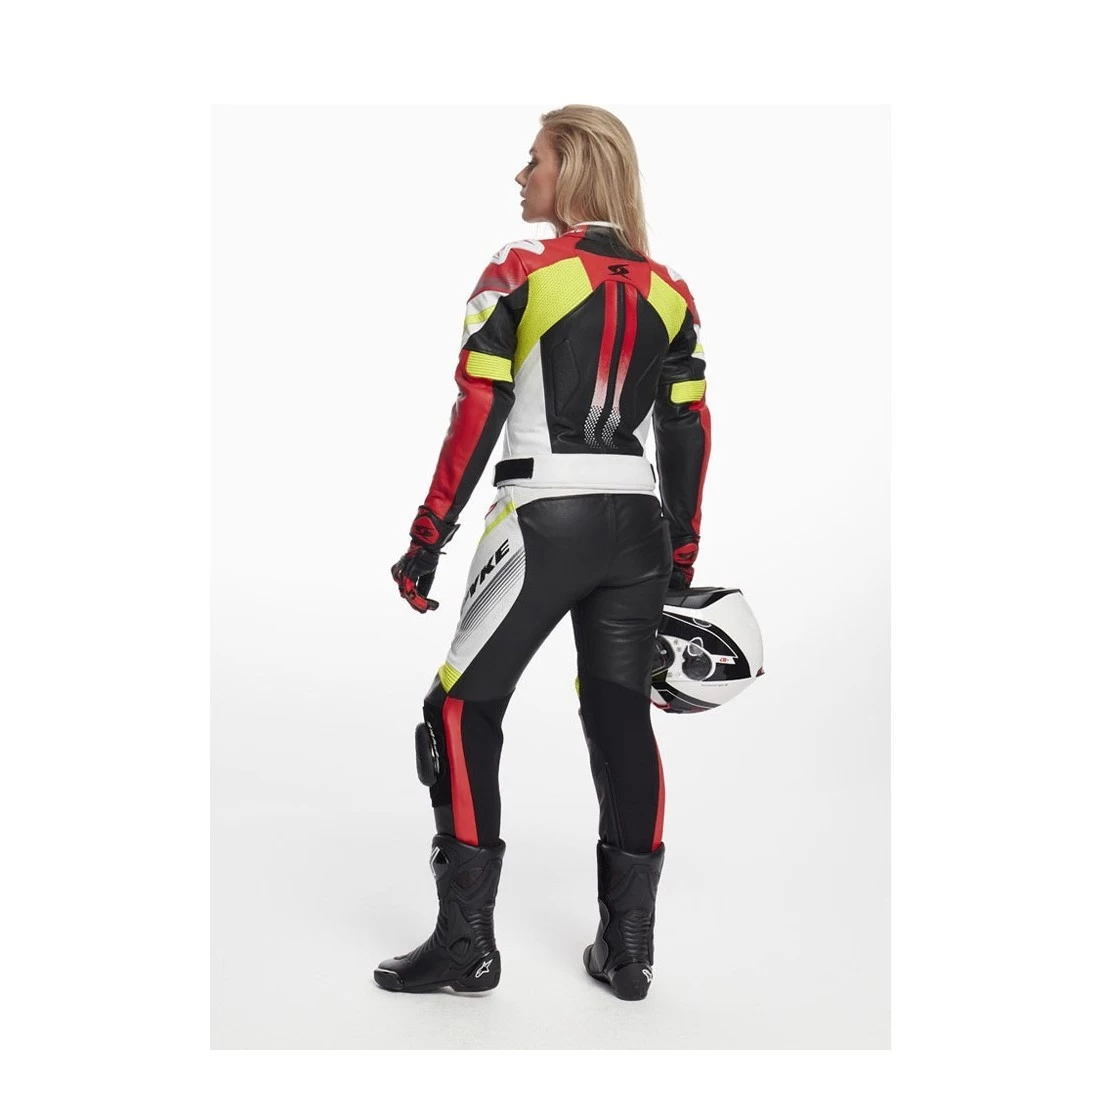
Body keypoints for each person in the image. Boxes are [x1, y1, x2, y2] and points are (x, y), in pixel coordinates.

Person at [375, 104, 710, 1001]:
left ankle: (466, 947)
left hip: (543, 517)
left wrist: (428, 535)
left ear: (576, 170)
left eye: (535, 160)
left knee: (458, 711)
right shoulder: (671, 288)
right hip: (637, 523)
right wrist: (682, 547)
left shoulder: (520, 267)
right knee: (620, 717)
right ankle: (629, 952)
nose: (521, 176)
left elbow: (479, 407)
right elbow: (687, 423)